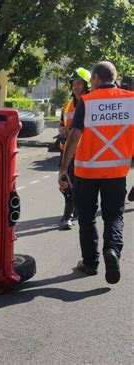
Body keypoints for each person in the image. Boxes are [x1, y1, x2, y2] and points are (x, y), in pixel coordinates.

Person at [58, 61, 134, 284]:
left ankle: (90, 263)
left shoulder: (87, 102)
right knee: (114, 216)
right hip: (117, 172)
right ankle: (112, 250)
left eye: (91, 79)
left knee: (88, 218)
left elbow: (74, 137)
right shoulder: (130, 99)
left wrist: (64, 169)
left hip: (86, 172)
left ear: (97, 79)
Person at [58, 68, 91, 230]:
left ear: (86, 85)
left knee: (79, 184)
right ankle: (70, 212)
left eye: (79, 83)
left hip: (85, 151)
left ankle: (71, 213)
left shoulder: (91, 103)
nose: (76, 86)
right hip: (67, 150)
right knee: (65, 182)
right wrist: (62, 131)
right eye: (74, 83)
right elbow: (61, 124)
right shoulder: (68, 104)